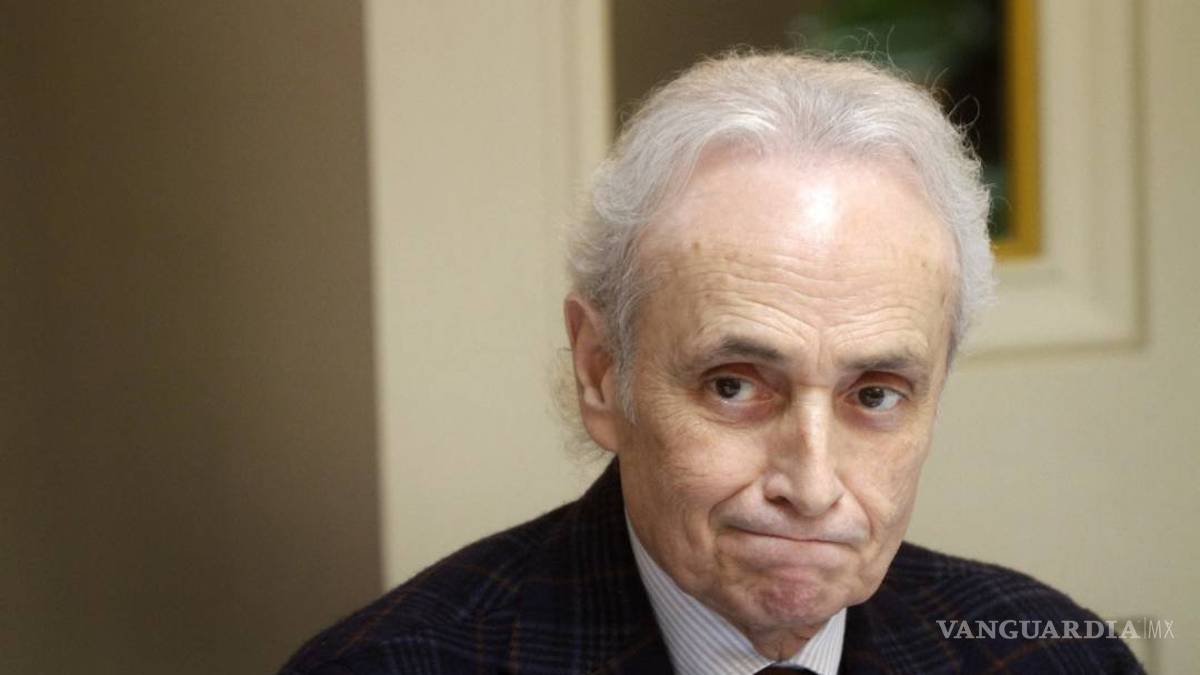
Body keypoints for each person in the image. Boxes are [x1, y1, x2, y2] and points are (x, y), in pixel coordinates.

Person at [279, 53, 1144, 675]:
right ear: (601, 372)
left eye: (875, 394)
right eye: (734, 386)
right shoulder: (391, 662)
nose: (812, 486)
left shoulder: (1056, 654)